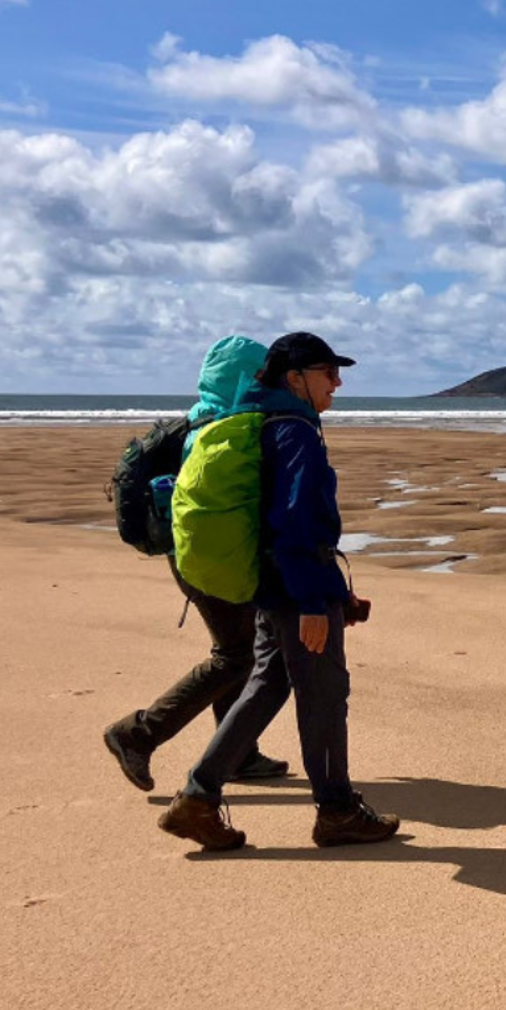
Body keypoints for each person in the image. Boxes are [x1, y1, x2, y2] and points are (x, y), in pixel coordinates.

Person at [157, 332, 400, 852]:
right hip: (295, 591)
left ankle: (198, 799)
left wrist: (335, 594)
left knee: (267, 684)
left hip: (271, 585)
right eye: (327, 371)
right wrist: (315, 601)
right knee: (325, 694)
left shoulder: (259, 423)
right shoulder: (295, 431)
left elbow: (282, 526)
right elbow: (295, 523)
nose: (338, 381)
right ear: (295, 378)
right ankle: (337, 812)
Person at [101, 336, 288, 793]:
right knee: (236, 655)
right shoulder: (224, 425)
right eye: (265, 372)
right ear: (248, 375)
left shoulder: (198, 417)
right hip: (209, 557)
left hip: (195, 555)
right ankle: (137, 733)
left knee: (241, 653)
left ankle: (239, 751)